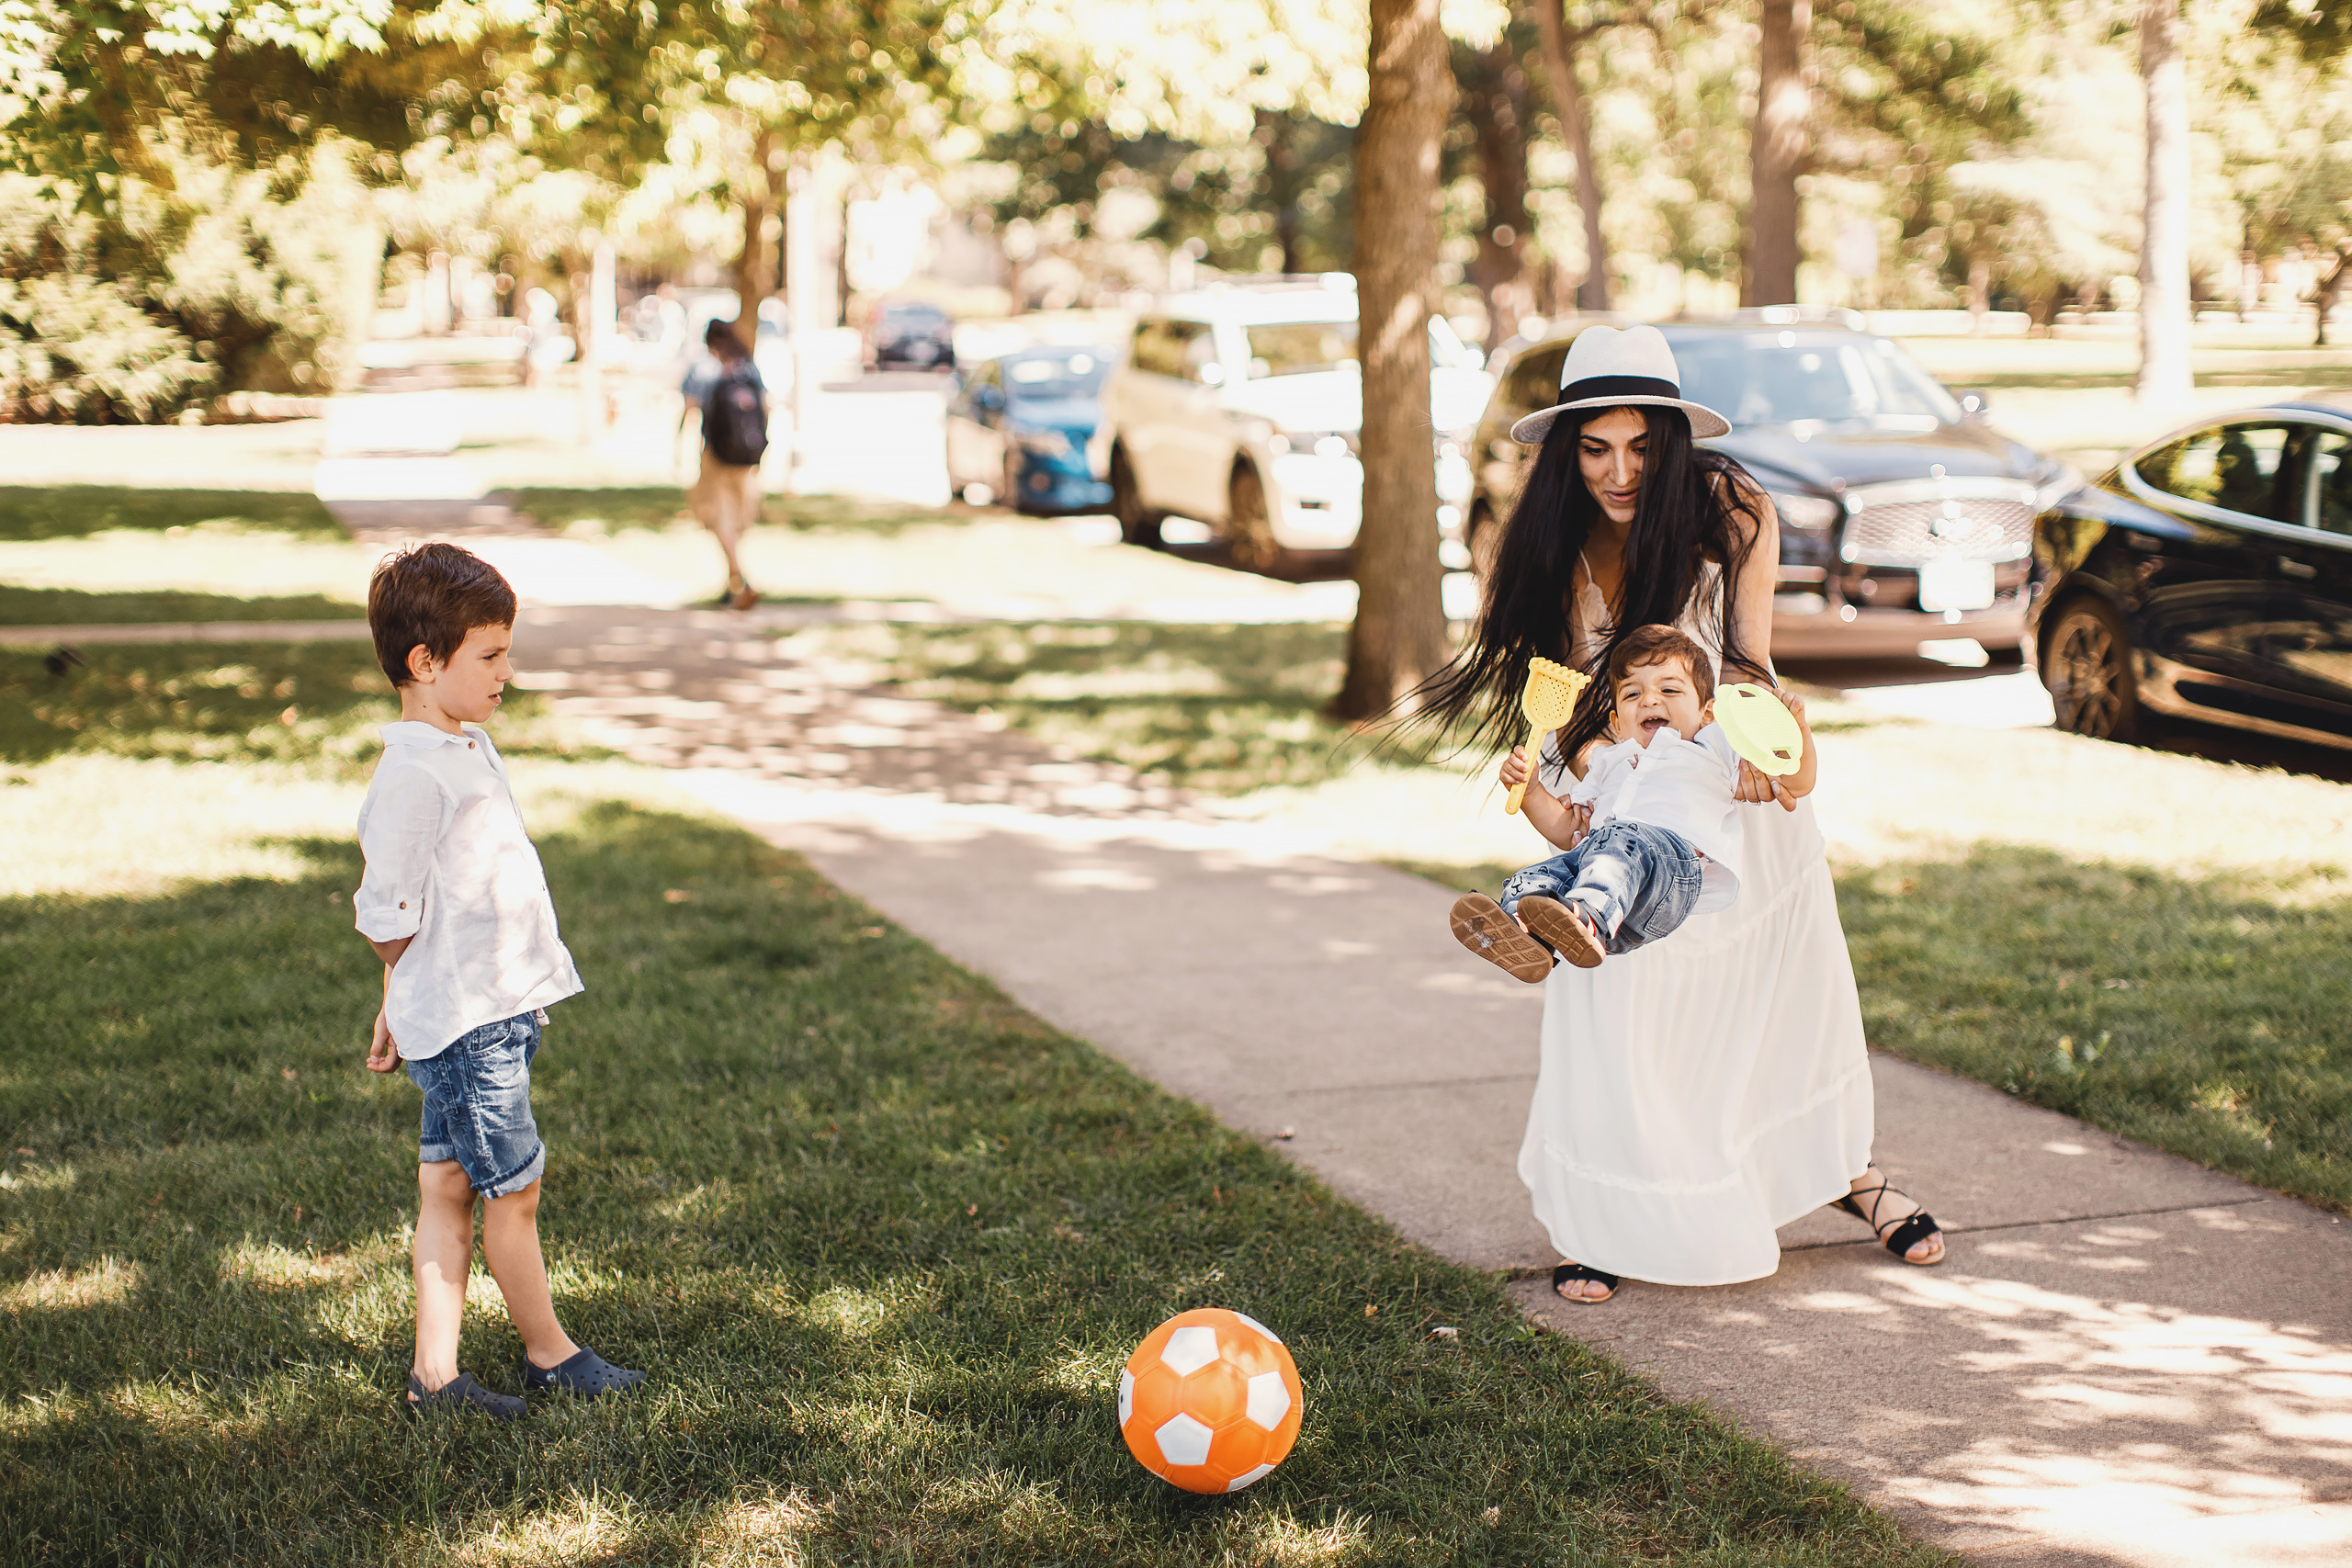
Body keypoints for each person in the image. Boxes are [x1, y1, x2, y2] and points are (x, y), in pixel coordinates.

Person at [1422, 323, 1945, 1307]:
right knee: (1617, 1008)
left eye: (1640, 446)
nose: (1618, 471)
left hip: (1731, 782)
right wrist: (1598, 770)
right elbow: (1556, 695)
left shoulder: (1733, 509)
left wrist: (1748, 742)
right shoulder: (1540, 538)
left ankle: (1845, 1174)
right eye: (1594, 447)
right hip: (1619, 790)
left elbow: (1748, 658)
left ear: (1672, 439)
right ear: (1566, 446)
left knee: (1779, 1005)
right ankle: (1603, 1217)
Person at [356, 542, 645, 1416]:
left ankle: (434, 1379)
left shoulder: (465, 743)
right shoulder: (411, 773)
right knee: (512, 1193)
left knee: (448, 1188)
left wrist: (399, 1003)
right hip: (470, 1026)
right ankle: (550, 1354)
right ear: (425, 662)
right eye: (490, 655)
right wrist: (397, 994)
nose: (506, 672)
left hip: (482, 1011)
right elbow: (387, 912)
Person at [1451, 623, 1817, 978]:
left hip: (1669, 873)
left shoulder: (1714, 751)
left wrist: (1797, 730)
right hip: (1606, 867)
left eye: (1670, 691)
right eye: (1632, 694)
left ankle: (1587, 918)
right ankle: (1524, 932)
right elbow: (1568, 830)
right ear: (1617, 721)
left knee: (1622, 841)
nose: (1650, 699)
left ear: (1707, 713)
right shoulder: (1608, 764)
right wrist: (1531, 791)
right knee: (1548, 872)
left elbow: (1796, 782)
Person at [682, 319, 769, 610]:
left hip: (716, 456)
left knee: (718, 517)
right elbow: (766, 406)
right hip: (747, 457)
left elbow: (690, 407)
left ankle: (740, 579)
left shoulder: (706, 367)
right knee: (737, 518)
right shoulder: (748, 367)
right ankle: (733, 582)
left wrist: (678, 441)